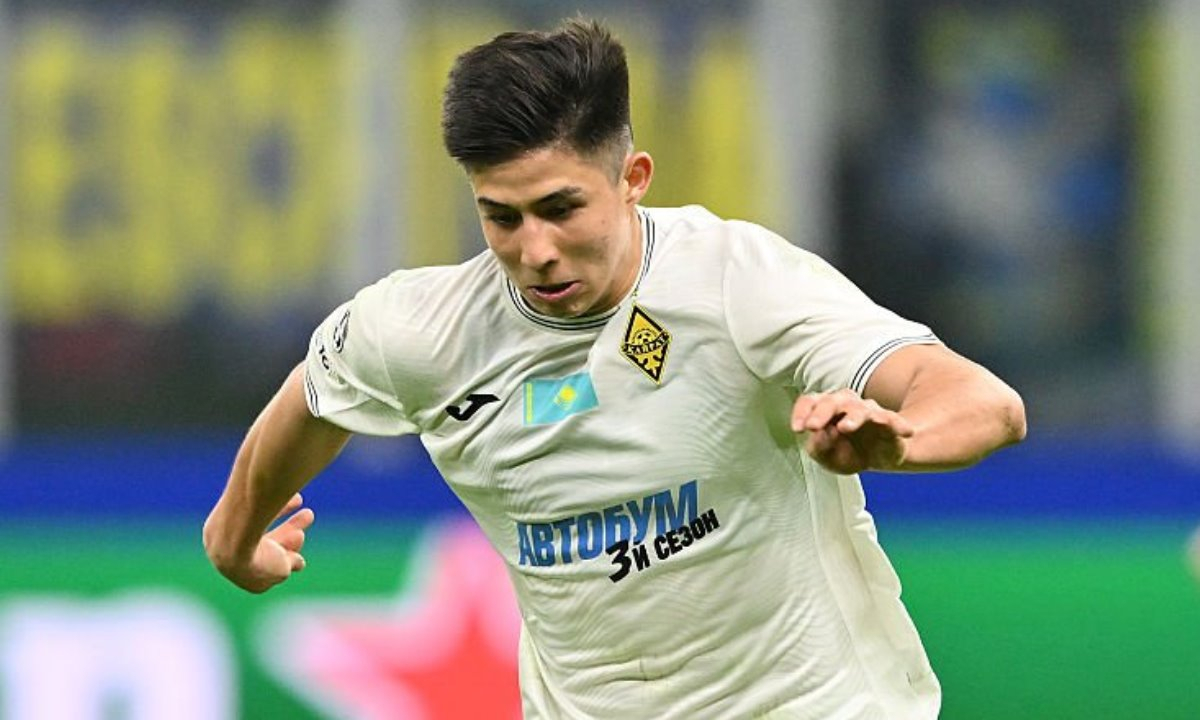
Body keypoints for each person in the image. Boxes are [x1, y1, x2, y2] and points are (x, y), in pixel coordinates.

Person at [203, 18, 1027, 719]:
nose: (535, 250)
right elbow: (314, 398)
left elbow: (985, 403)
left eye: (561, 209)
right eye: (502, 217)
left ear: (633, 180)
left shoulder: (738, 283)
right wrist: (235, 538)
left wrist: (900, 440)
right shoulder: (421, 332)